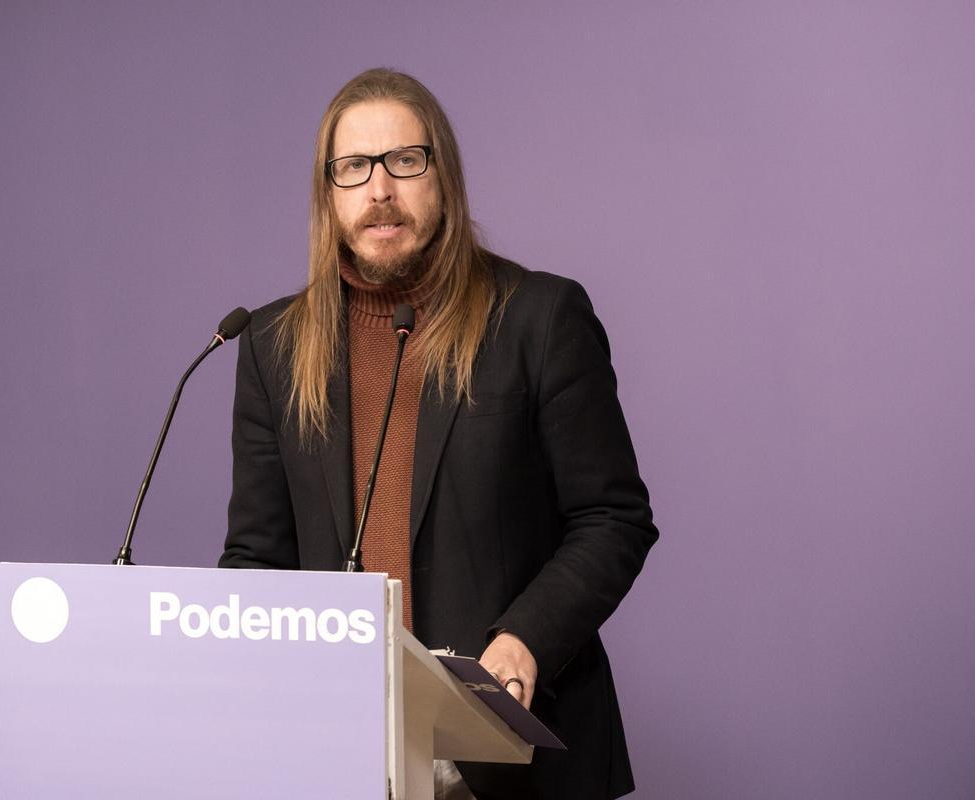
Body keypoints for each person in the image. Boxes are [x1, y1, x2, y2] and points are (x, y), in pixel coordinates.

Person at [219, 68, 658, 800]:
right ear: (328, 194)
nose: (379, 189)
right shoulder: (271, 344)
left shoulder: (538, 319)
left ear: (443, 178)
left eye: (405, 161)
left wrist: (525, 638)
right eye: (353, 167)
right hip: (341, 757)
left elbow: (612, 518)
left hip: (515, 755)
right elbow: (256, 557)